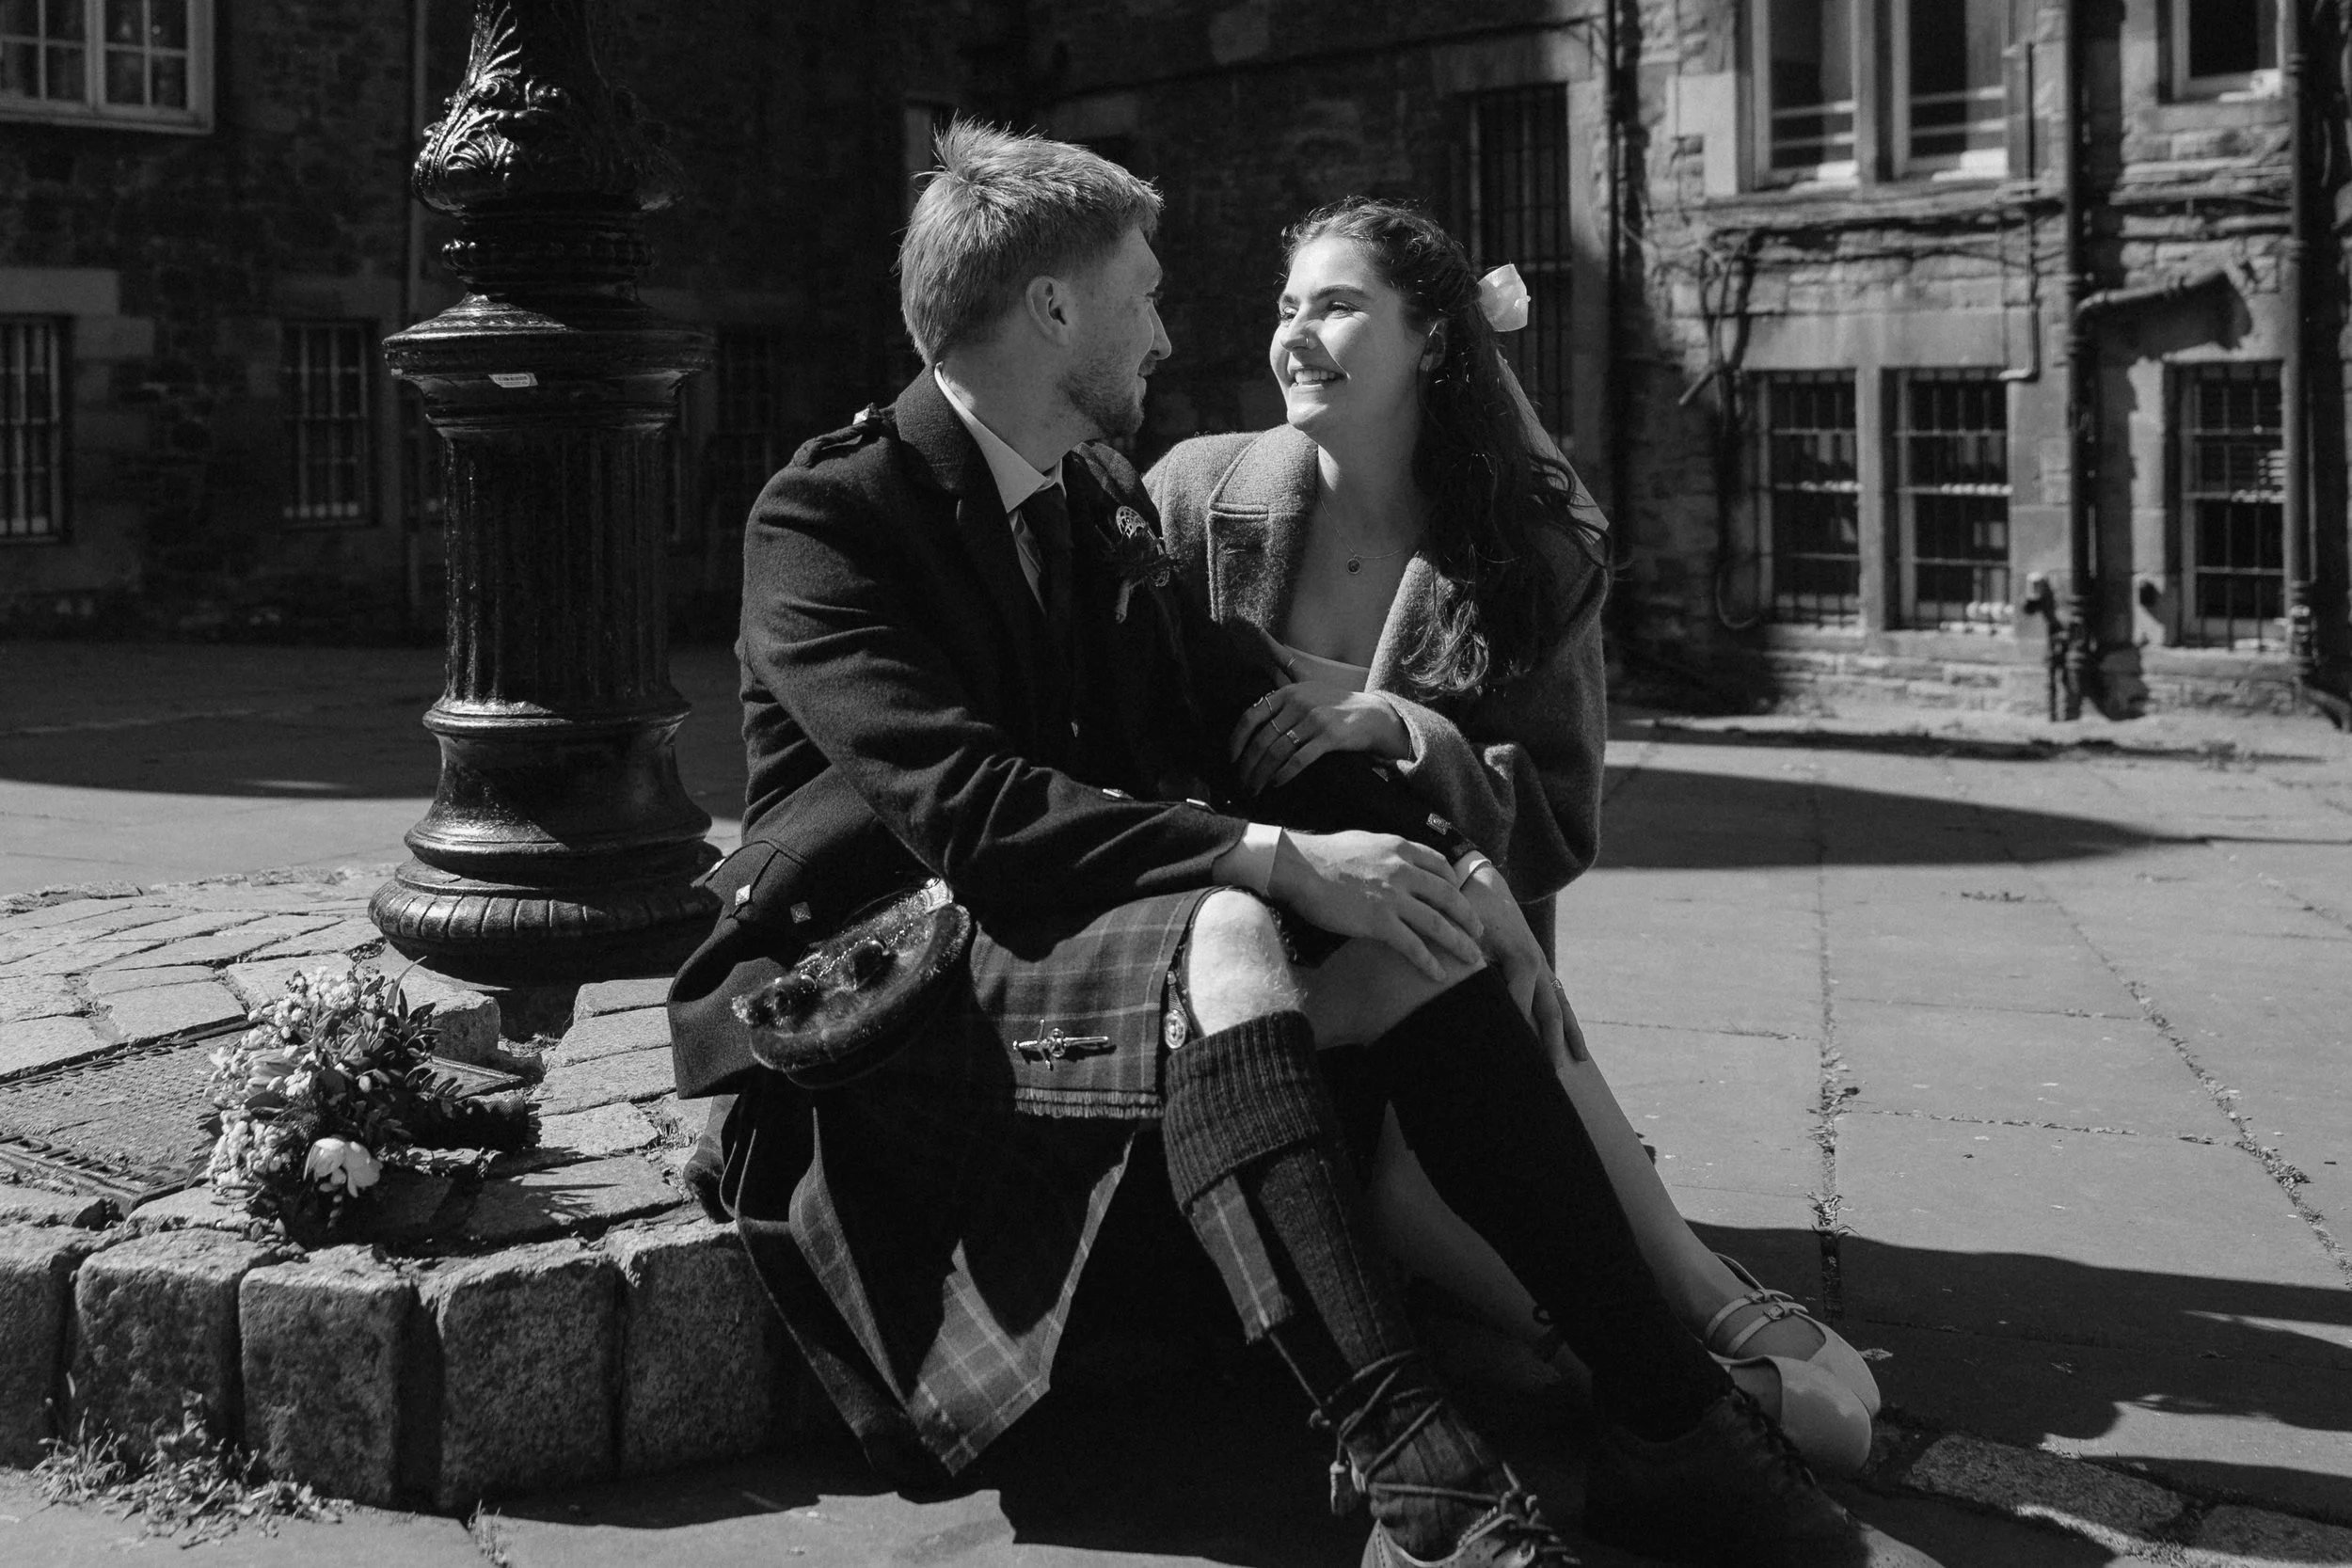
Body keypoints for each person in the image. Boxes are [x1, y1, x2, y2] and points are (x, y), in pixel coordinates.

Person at [677, 121, 1935, 1568]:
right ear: (1051, 308)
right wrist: (1273, 859)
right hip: (867, 1000)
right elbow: (973, 810)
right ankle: (1429, 1485)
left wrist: (1444, 865)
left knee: (1412, 936)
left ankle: (1669, 1426)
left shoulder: (1085, 495)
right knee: (1229, 925)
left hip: (1045, 954)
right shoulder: (832, 516)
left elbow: (1243, 710)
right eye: (1144, 293)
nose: (1168, 327)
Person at [1147, 198, 1883, 1476]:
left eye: (1336, 305)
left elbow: (1557, 806)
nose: (1297, 337)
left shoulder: (1525, 549)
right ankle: (1657, 1351)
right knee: (1415, 1211)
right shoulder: (1198, 492)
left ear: (1433, 338)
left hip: (1460, 936)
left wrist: (1394, 728)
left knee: (1473, 1009)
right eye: (1287, 308)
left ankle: (1696, 1295)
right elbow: (1140, 723)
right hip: (1257, 919)